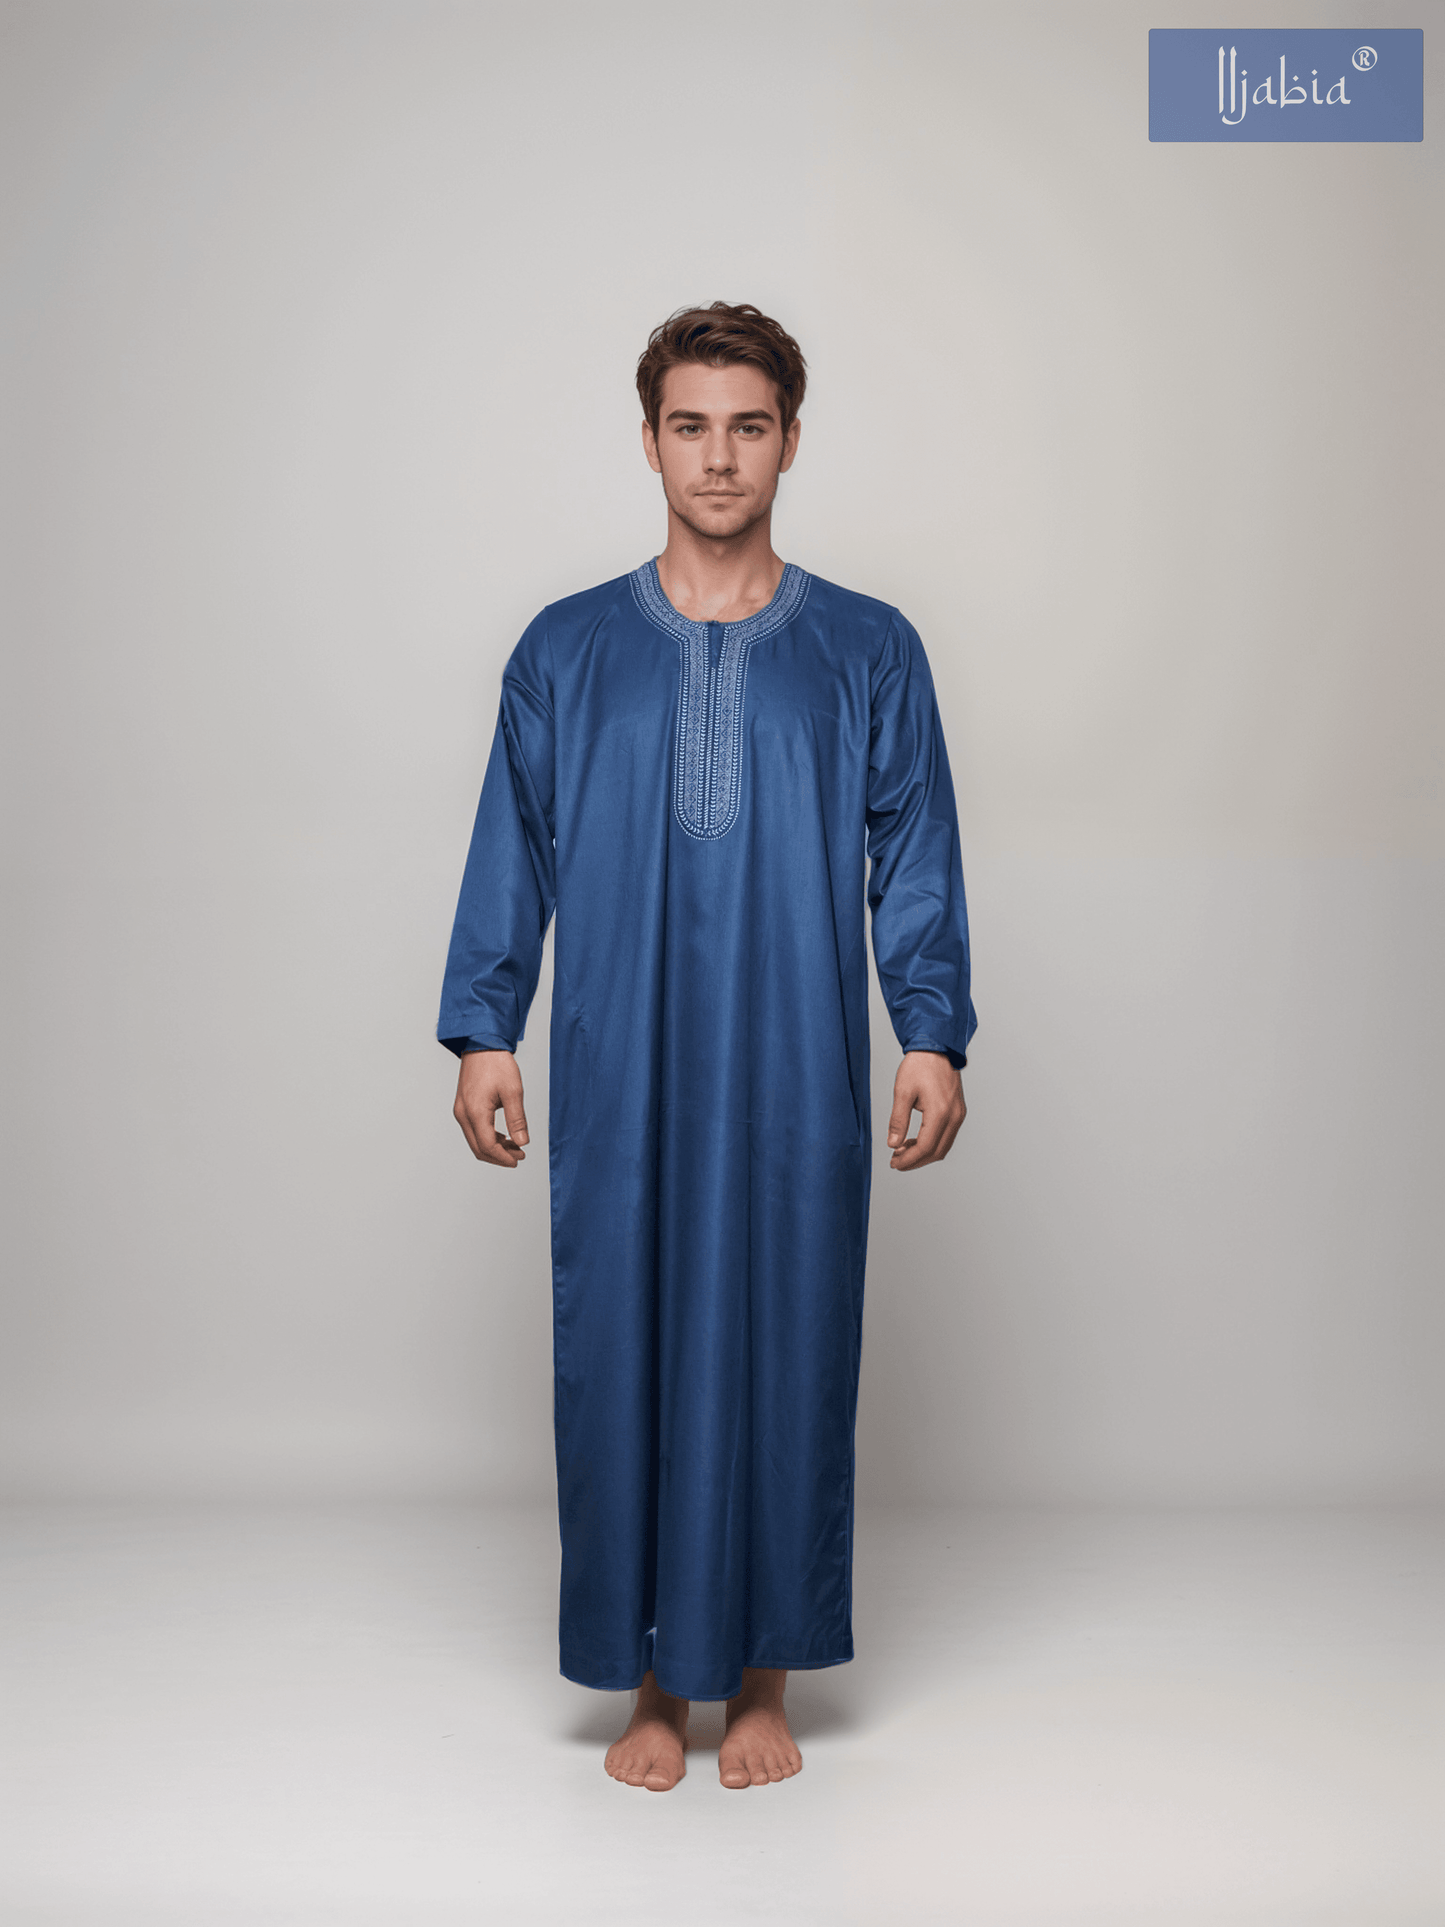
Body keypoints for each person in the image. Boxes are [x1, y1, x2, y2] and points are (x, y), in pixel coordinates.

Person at [439, 302, 976, 1792]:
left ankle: (760, 1680)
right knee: (620, 1343)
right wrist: (485, 1025)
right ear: (649, 441)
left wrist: (930, 1030)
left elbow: (914, 854)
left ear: (791, 441)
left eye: (749, 426)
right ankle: (645, 1682)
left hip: (798, 1060)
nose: (719, 456)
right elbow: (513, 845)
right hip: (623, 1061)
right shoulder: (567, 649)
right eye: (692, 425)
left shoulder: (868, 649)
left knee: (788, 1335)